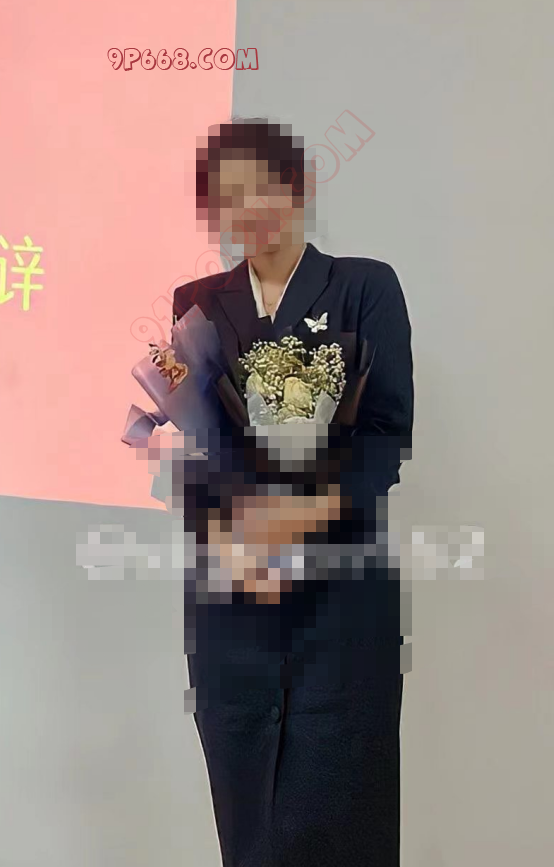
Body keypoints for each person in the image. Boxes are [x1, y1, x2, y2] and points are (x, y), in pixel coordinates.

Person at [174, 118, 413, 867]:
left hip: (339, 599)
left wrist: (304, 515)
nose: (248, 208)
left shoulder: (364, 287)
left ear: (299, 188)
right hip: (233, 603)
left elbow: (386, 437)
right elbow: (196, 449)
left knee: (343, 820)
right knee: (251, 831)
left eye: (264, 188)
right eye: (229, 196)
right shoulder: (197, 302)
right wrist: (229, 535)